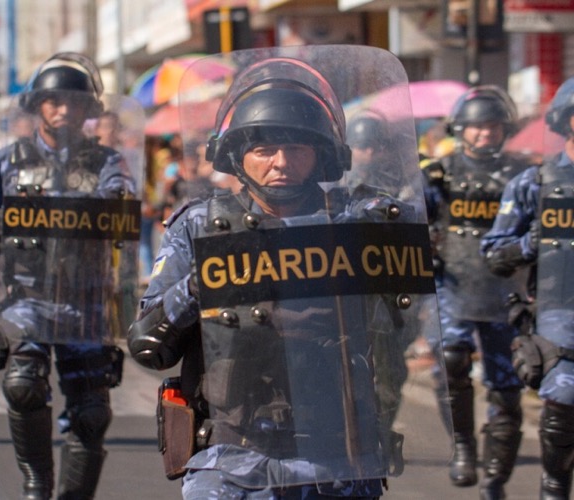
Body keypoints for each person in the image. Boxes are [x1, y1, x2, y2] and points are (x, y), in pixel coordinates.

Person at [129, 49, 444, 499]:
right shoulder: (201, 227)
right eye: (264, 148)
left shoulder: (354, 223)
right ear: (238, 155)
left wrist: (395, 230)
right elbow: (148, 345)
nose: (281, 161)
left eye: (297, 147)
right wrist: (201, 285)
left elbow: (409, 306)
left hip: (340, 455)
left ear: (321, 154)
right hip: (234, 458)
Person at [0, 52, 139, 499]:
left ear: (86, 111)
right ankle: (37, 485)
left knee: (91, 413)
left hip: (88, 301)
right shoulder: (4, 163)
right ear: (38, 105)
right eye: (54, 101)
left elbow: (123, 213)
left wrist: (111, 204)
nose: (63, 111)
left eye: (74, 103)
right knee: (22, 386)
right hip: (25, 299)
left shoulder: (108, 163)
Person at [423, 85, 532, 499]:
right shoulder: (439, 173)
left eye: (492, 126)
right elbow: (409, 217)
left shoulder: (524, 177)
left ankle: (497, 477)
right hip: (453, 288)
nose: (485, 134)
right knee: (451, 361)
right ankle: (463, 447)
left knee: (507, 388)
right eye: (476, 127)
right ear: (460, 129)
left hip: (507, 296)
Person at [482, 76, 574, 500]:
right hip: (560, 313)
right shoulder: (536, 184)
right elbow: (494, 254)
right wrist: (531, 243)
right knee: (564, 397)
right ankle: (554, 487)